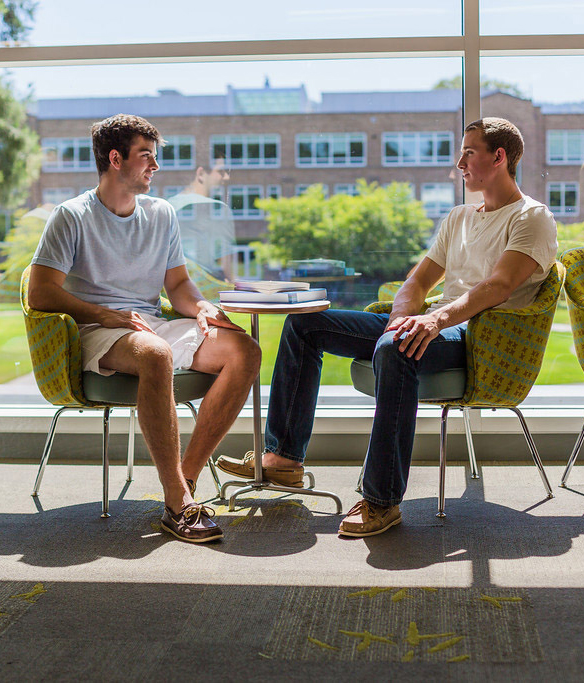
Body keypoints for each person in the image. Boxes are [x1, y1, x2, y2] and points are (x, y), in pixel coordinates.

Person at [216, 117, 558, 537]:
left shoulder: (531, 217)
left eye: (469, 151)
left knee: (394, 349)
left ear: (499, 157)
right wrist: (400, 319)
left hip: (480, 337)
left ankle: (382, 501)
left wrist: (433, 319)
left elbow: (500, 286)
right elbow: (416, 282)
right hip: (439, 322)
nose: (459, 161)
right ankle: (284, 459)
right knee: (306, 324)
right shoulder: (459, 217)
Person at [28, 114, 261, 544]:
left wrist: (202, 306)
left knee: (244, 351)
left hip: (148, 323)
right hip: (95, 330)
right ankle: (179, 502)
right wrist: (101, 314)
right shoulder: (71, 216)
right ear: (115, 159)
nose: (155, 166)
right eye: (146, 157)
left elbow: (178, 284)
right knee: (156, 353)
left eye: (155, 157)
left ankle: (181, 487)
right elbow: (40, 293)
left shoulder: (161, 213)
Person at [167, 152, 236, 282]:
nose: (226, 177)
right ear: (201, 174)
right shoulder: (219, 208)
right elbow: (228, 270)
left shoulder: (170, 205)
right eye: (221, 172)